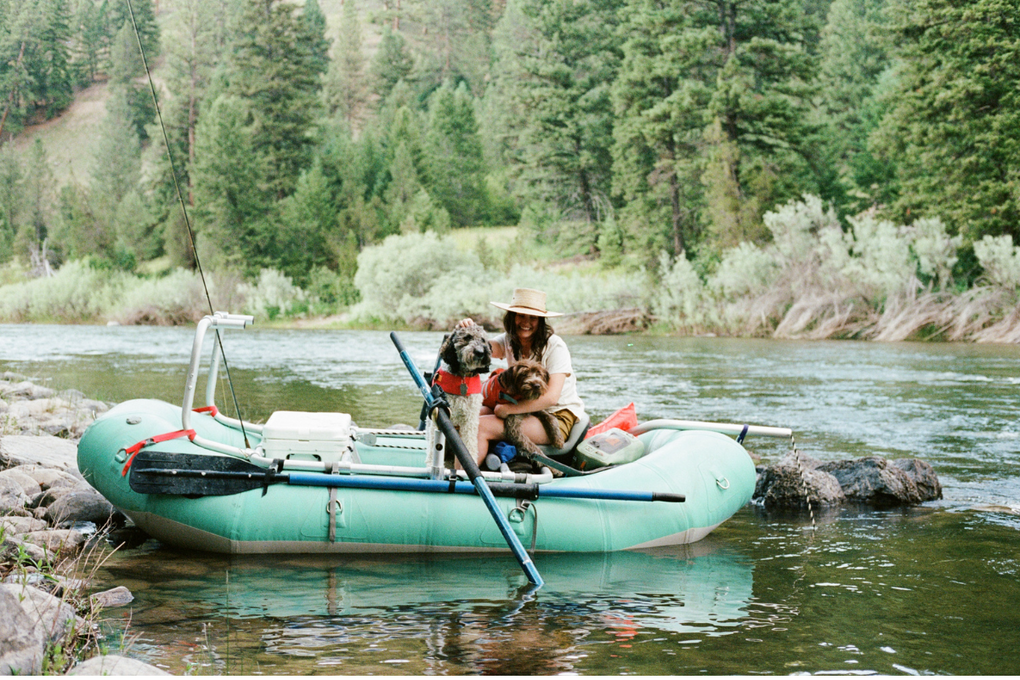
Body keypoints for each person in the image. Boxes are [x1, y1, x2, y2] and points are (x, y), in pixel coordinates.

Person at [458, 288, 586, 466]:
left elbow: (551, 397)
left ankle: (462, 480)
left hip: (555, 416)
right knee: (468, 416)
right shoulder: (510, 340)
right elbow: (483, 349)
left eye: (532, 317)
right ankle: (453, 466)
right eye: (520, 315)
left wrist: (509, 409)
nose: (526, 322)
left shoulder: (555, 346)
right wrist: (469, 331)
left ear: (540, 321)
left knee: (478, 426)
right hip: (525, 410)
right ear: (512, 317)